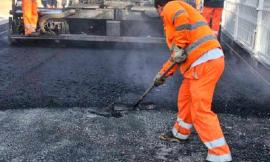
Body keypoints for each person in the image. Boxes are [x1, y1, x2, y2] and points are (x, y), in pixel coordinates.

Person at [153, 0, 232, 161]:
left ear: (159, 7)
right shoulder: (183, 11)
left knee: (200, 110)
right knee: (185, 97)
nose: (160, 15)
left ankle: (220, 154)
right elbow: (177, 58)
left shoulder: (170, 6)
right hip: (201, 62)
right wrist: (162, 75)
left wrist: (180, 46)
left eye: (158, 11)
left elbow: (180, 20)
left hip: (204, 62)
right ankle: (180, 133)